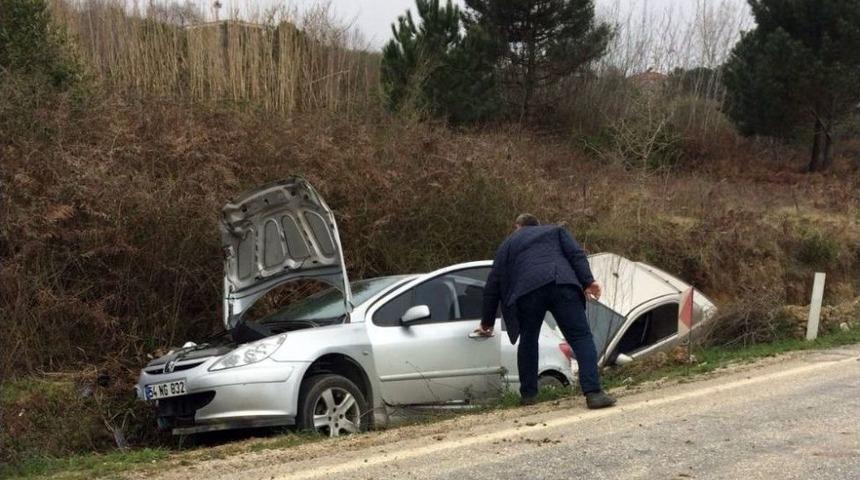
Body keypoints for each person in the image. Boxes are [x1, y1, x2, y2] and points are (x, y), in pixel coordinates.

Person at [475, 213, 616, 409]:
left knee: (529, 339)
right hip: (561, 283)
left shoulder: (508, 244)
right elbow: (576, 254)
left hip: (527, 292)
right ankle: (593, 394)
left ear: (518, 226)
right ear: (537, 225)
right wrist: (588, 281)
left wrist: (487, 322)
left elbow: (493, 283)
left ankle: (529, 396)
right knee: (580, 337)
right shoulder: (555, 231)